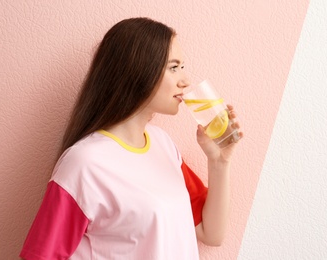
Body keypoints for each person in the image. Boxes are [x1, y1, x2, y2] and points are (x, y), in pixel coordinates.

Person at [20, 17, 243, 260]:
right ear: (138, 71)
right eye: (174, 67)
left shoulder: (163, 144)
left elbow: (211, 234)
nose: (186, 79)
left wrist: (219, 161)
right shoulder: (85, 163)